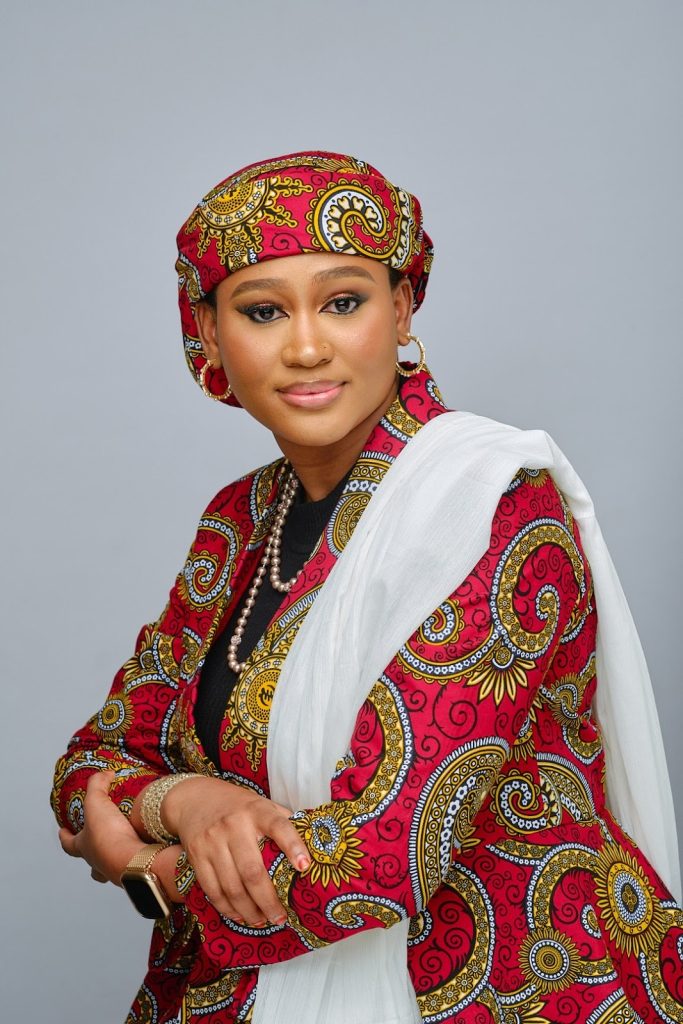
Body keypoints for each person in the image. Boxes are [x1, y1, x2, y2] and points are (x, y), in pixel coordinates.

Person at [52, 151, 683, 1024]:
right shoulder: (240, 520)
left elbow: (384, 855)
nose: (306, 345)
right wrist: (188, 797)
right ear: (206, 331)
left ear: (403, 305)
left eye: (343, 301)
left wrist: (148, 871)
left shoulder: (491, 504)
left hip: (507, 985)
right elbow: (95, 761)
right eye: (263, 310)